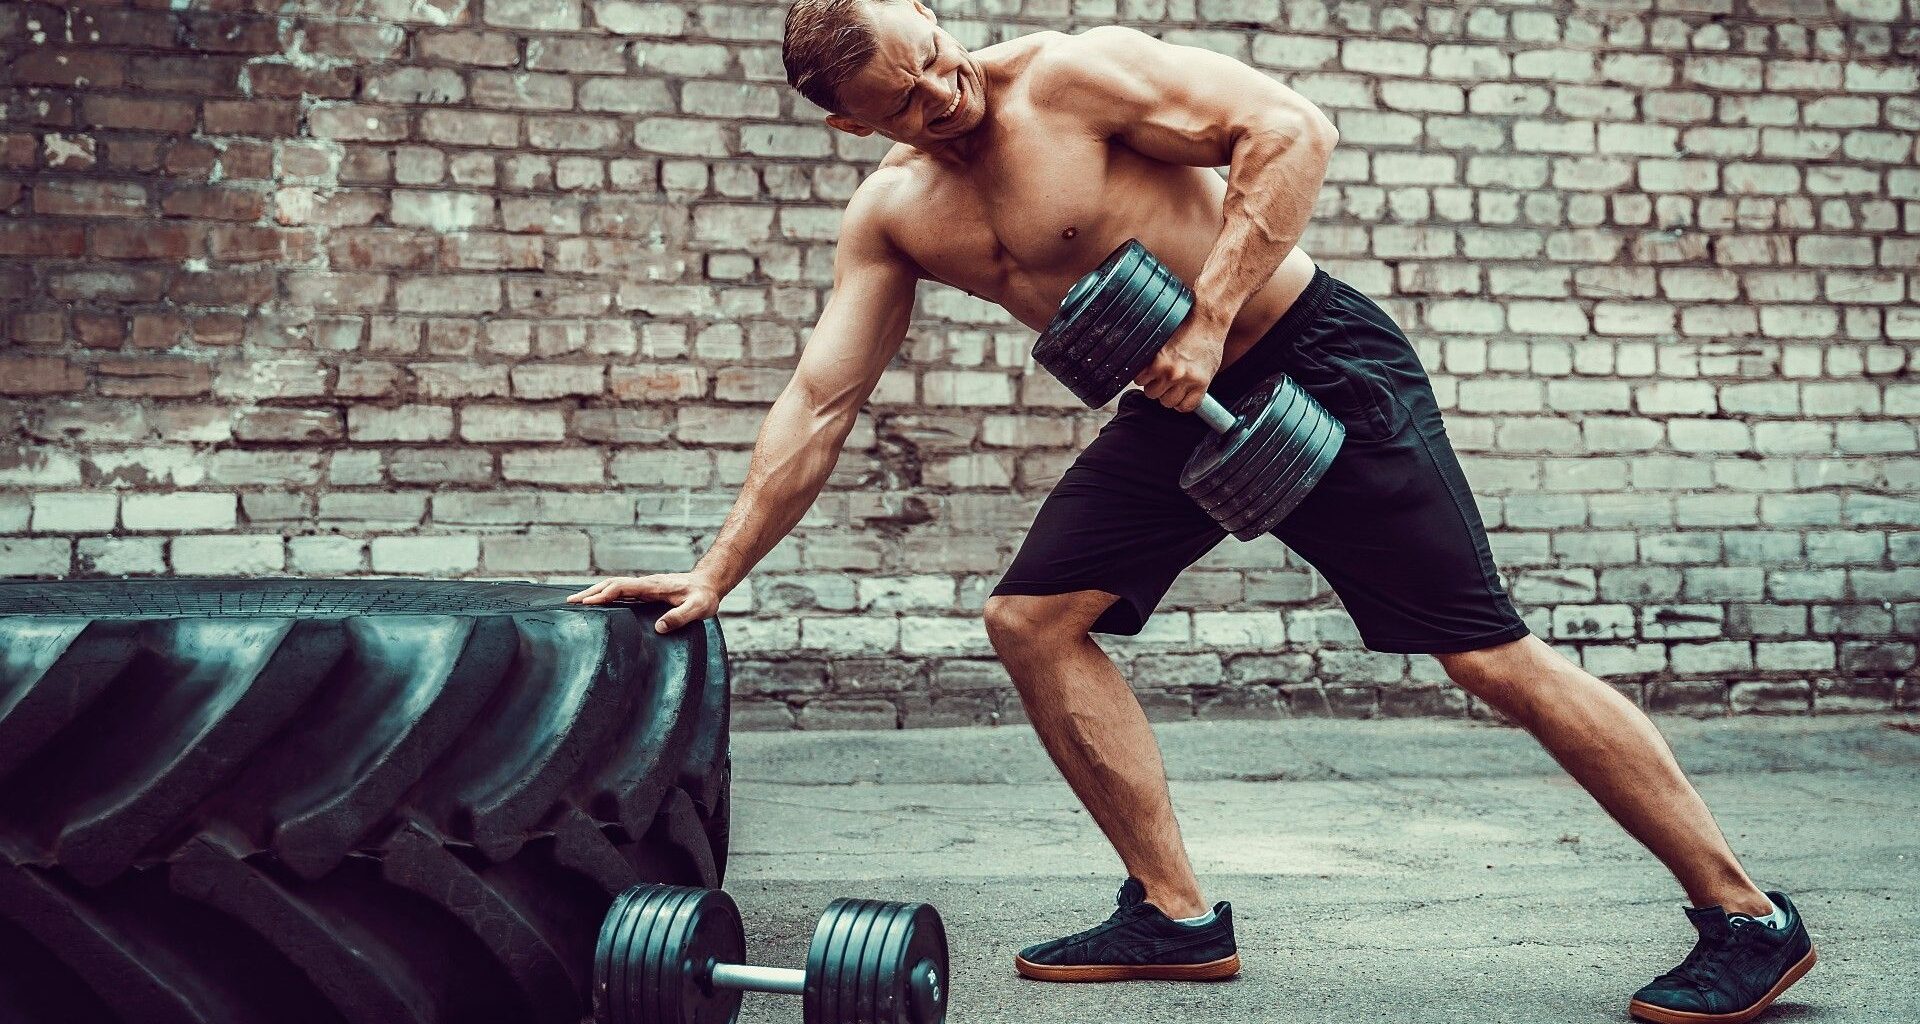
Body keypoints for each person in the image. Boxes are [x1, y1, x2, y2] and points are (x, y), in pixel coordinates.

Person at [569, 3, 1816, 1020]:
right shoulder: (896, 215)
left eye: (941, 53)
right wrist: (717, 567)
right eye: (912, 95)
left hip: (1310, 358)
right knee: (1032, 618)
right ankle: (1173, 917)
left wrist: (1210, 317)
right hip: (1178, 405)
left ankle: (1745, 914)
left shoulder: (1071, 76)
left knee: (1484, 653)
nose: (952, 90)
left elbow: (1290, 128)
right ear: (851, 120)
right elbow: (820, 398)